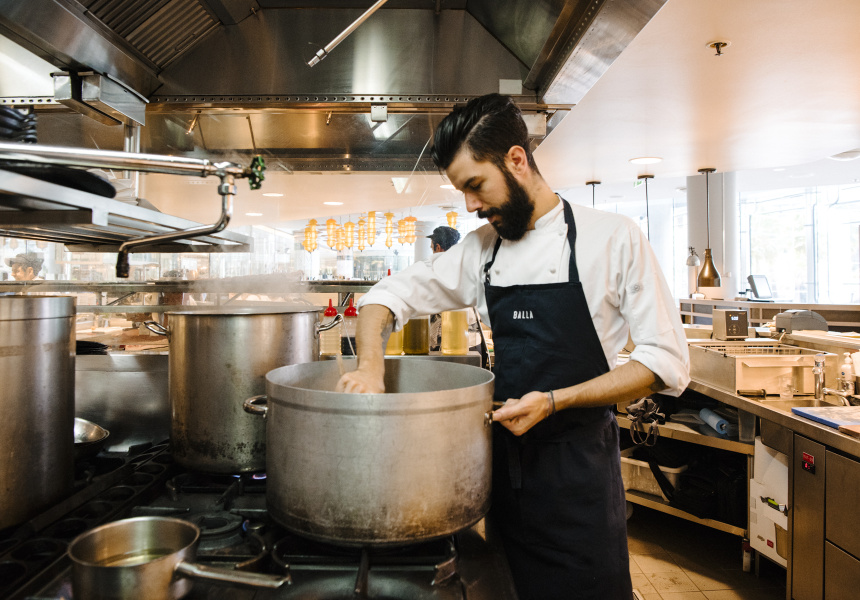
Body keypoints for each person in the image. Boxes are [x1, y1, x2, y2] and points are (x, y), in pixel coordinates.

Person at [336, 93, 690, 600]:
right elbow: (384, 297)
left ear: (517, 160)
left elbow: (663, 362)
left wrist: (555, 401)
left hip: (580, 482)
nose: (470, 206)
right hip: (507, 478)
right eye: (462, 191)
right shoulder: (482, 250)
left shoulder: (613, 238)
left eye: (475, 185)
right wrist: (371, 368)